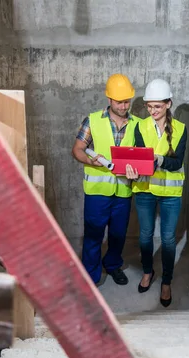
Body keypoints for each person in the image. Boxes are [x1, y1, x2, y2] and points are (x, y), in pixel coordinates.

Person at [71, 73, 139, 285]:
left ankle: (112, 265)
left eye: (127, 101)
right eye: (119, 101)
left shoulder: (138, 124)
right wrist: (92, 162)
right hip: (97, 192)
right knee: (93, 236)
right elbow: (78, 150)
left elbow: (141, 156)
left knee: (118, 235)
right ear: (109, 99)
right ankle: (91, 275)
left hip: (123, 192)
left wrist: (137, 169)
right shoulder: (92, 120)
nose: (124, 106)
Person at [125, 79, 187, 307]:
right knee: (146, 235)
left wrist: (158, 159)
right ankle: (148, 272)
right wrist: (131, 170)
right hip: (145, 189)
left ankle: (167, 281)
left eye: (157, 107)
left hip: (170, 191)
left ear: (168, 104)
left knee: (169, 239)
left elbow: (177, 162)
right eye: (149, 106)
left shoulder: (180, 129)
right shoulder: (140, 126)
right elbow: (139, 158)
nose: (152, 111)